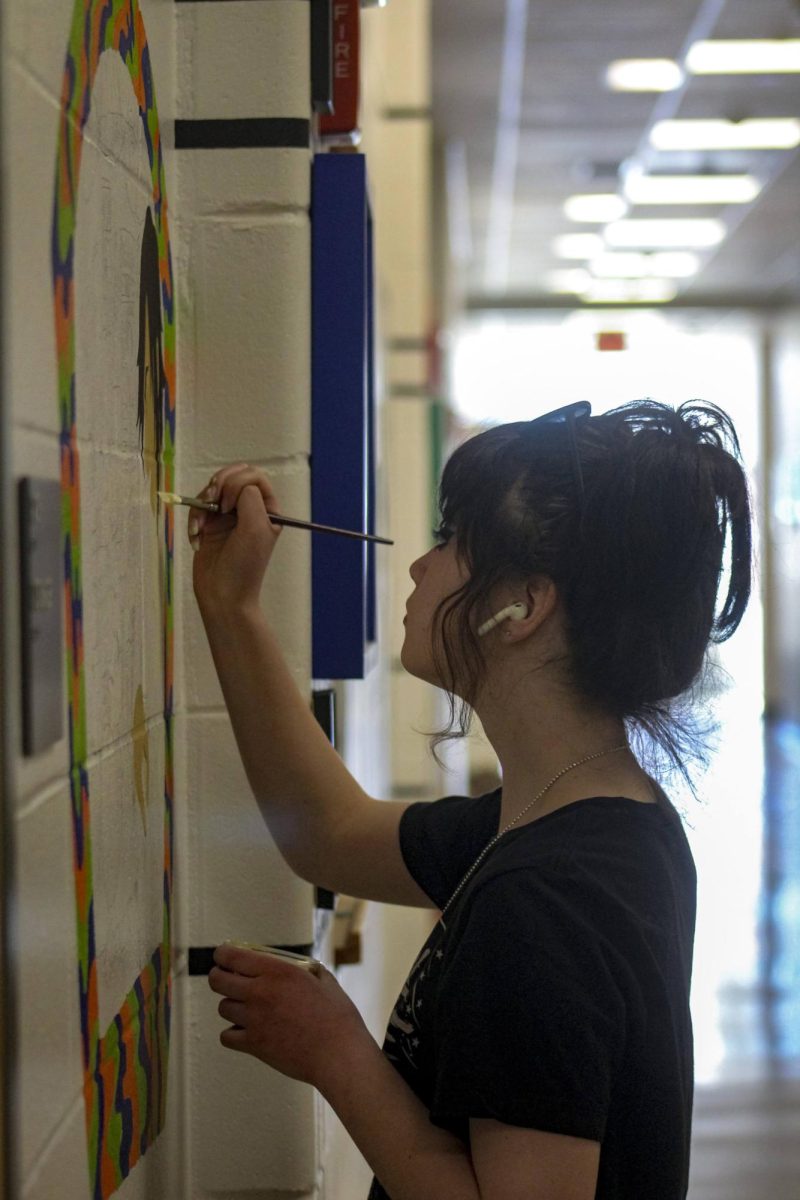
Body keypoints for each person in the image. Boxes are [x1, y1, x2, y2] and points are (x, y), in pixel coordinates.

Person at [190, 399, 753, 1200]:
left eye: (452, 540)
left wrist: (338, 1054)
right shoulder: (592, 821)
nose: (421, 566)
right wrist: (232, 607)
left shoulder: (546, 902)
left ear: (523, 604)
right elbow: (330, 834)